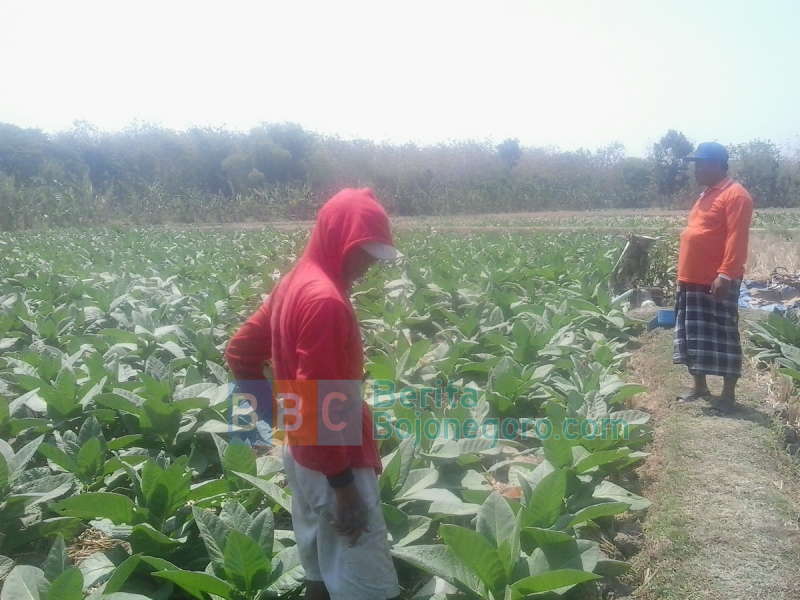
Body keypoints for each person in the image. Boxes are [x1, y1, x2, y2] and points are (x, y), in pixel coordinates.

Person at [224, 188, 402, 600]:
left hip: (301, 452)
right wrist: (343, 487)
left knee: (319, 569)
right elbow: (318, 399)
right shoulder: (325, 300)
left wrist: (267, 423)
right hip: (334, 459)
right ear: (336, 238)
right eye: (363, 252)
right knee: (367, 582)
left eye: (375, 254)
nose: (370, 264)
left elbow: (240, 351)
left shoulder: (295, 282)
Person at [673, 142, 753, 411]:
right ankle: (699, 386)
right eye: (695, 163)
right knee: (692, 335)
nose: (696, 169)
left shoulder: (735, 195)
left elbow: (736, 239)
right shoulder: (706, 194)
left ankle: (728, 394)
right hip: (690, 278)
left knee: (724, 334)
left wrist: (726, 274)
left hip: (715, 280)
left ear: (718, 164)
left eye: (701, 163)